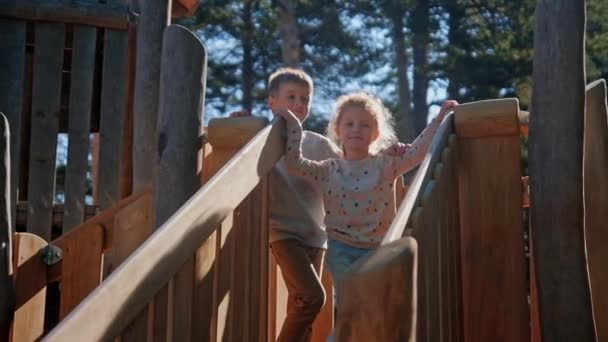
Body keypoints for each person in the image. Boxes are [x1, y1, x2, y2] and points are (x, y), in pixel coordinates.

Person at [230, 68, 407, 342]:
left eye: (305, 99)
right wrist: (238, 127)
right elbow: (237, 155)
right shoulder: (260, 137)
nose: (299, 104)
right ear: (272, 102)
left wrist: (385, 154)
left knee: (302, 307)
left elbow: (352, 164)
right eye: (291, 97)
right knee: (313, 297)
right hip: (283, 234)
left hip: (316, 235)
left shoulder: (318, 144)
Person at [274, 91, 458, 310]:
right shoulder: (328, 169)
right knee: (352, 306)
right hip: (342, 250)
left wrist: (439, 119)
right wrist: (293, 126)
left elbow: (418, 153)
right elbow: (296, 164)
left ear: (375, 133)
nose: (355, 129)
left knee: (378, 308)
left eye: (364, 125)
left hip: (378, 250)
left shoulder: (385, 165)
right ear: (338, 130)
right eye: (349, 124)